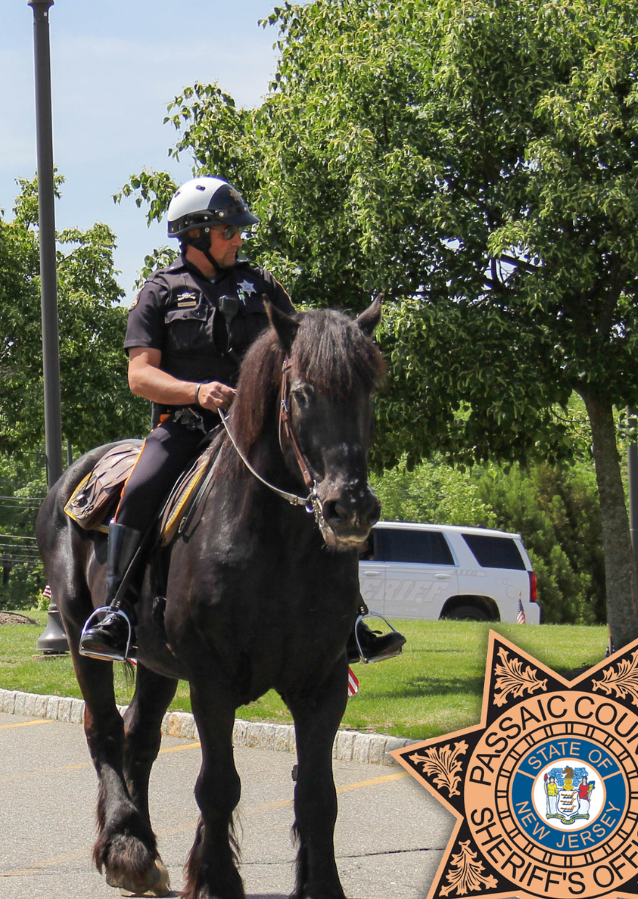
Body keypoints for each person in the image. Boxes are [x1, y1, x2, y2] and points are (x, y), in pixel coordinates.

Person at [77, 177, 405, 667]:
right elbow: (139, 374)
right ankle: (116, 614)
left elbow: (303, 352)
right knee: (142, 487)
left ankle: (353, 619)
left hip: (260, 433)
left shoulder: (263, 285)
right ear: (194, 234)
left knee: (330, 489)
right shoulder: (160, 292)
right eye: (228, 230)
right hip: (187, 428)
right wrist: (196, 391)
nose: (238, 239)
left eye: (238, 229)